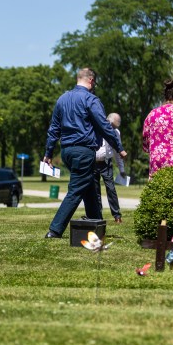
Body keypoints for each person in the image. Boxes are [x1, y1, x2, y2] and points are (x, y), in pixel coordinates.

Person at [43, 68, 127, 238]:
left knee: (88, 186)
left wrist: (48, 153)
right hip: (84, 151)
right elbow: (104, 126)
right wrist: (119, 146)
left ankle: (96, 225)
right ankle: (55, 230)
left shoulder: (62, 99)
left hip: (66, 151)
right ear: (91, 81)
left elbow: (53, 129)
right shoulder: (91, 99)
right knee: (75, 191)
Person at [94, 113, 126, 224]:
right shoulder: (96, 127)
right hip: (93, 163)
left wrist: (121, 169)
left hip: (106, 164)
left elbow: (118, 151)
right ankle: (98, 216)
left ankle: (117, 216)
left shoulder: (116, 133)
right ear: (107, 121)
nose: (113, 129)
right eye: (112, 126)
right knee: (95, 191)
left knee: (111, 189)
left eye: (116, 127)